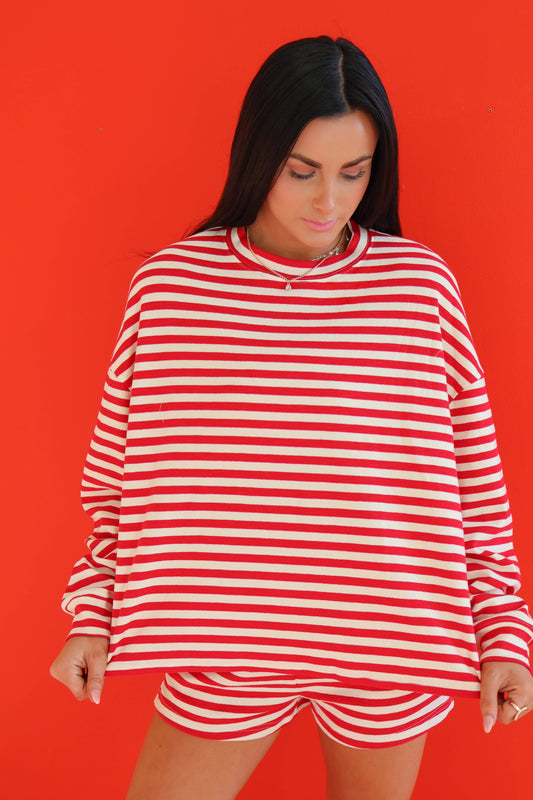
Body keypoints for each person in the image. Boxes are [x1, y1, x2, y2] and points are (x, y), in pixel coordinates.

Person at [50, 35, 533, 800]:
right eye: (300, 170)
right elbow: (118, 479)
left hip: (390, 650)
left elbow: (474, 480)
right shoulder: (173, 288)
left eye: (353, 172)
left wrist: (503, 630)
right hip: (224, 648)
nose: (327, 201)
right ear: (258, 153)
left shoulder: (417, 287)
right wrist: (92, 614)